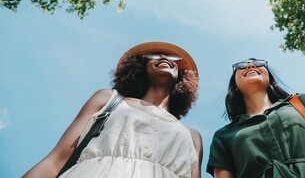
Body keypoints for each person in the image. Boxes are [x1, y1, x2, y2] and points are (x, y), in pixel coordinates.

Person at [23, 41, 203, 178]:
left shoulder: (193, 136)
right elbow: (56, 159)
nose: (164, 58)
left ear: (182, 75)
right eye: (155, 55)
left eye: (172, 59)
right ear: (139, 66)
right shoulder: (108, 99)